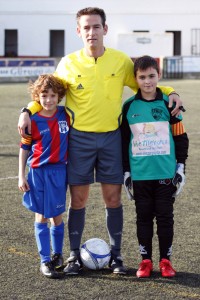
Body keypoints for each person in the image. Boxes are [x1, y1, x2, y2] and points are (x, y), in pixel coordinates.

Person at [17, 7, 184, 276]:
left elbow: (145, 84)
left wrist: (171, 91)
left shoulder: (120, 61)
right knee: (79, 199)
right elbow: (46, 94)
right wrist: (28, 109)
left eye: (96, 26)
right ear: (78, 31)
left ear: (105, 29)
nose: (91, 32)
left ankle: (116, 256)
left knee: (112, 198)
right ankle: (72, 256)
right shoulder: (68, 63)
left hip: (111, 138)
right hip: (79, 139)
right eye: (86, 27)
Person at [121, 55, 189, 278]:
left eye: (151, 76)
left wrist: (180, 167)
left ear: (159, 76)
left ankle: (166, 261)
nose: (147, 81)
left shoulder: (169, 103)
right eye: (142, 77)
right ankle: (146, 261)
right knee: (143, 217)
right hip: (140, 175)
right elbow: (123, 142)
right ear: (136, 79)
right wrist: (127, 172)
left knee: (165, 217)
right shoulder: (129, 106)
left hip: (165, 173)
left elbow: (181, 137)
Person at [18, 74, 70, 278]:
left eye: (53, 96)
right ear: (37, 97)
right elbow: (24, 148)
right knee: (40, 214)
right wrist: (21, 175)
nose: (48, 100)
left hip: (59, 171)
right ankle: (45, 260)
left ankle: (58, 255)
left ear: (59, 97)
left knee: (57, 215)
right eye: (44, 96)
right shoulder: (33, 120)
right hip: (38, 172)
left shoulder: (66, 115)